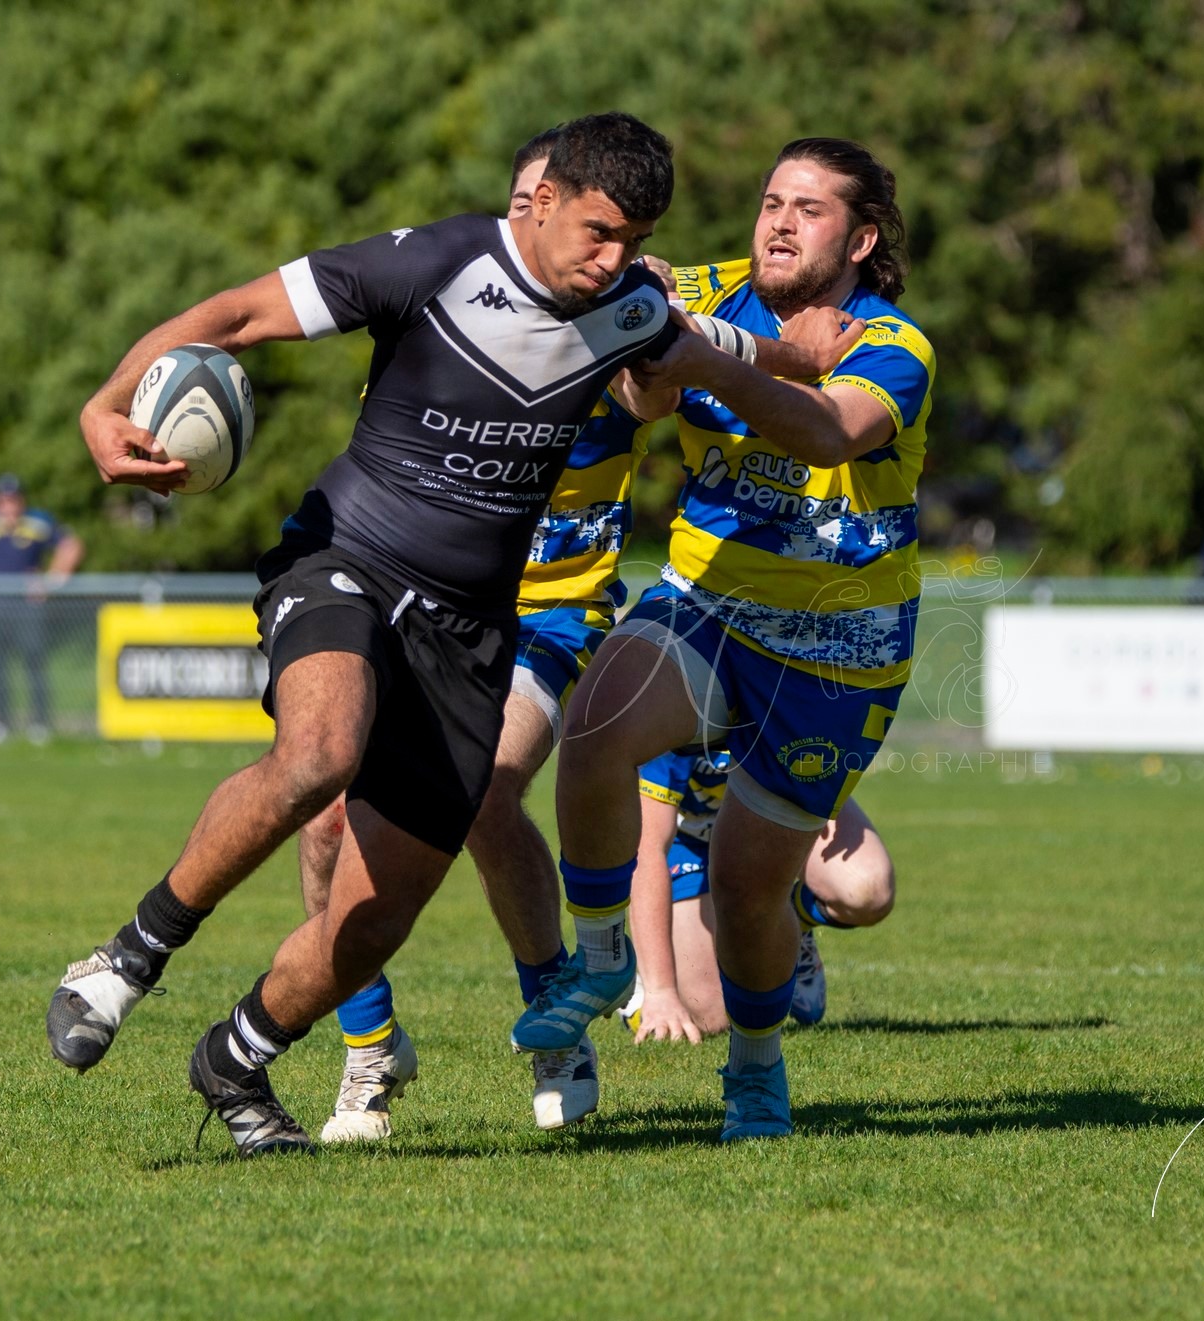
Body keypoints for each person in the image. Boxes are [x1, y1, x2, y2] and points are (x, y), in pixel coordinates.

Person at [43, 111, 688, 1157]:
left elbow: (688, 375)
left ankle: (236, 1060)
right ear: (544, 198)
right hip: (345, 558)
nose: (610, 256)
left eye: (632, 237)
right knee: (319, 758)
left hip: (473, 632)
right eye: (598, 231)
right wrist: (104, 404)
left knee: (376, 918)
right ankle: (124, 961)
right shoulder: (436, 260)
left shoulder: (632, 306)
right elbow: (240, 316)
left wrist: (686, 349)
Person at [295, 134, 868, 1140]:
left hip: (552, 614)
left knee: (480, 790)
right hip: (421, 602)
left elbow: (675, 357)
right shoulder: (441, 324)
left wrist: (770, 337)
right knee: (325, 817)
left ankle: (556, 1013)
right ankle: (370, 1048)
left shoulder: (619, 321)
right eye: (515, 205)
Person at [531, 137, 933, 1142]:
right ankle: (598, 957)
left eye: (809, 208)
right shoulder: (715, 287)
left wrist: (705, 353)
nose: (780, 222)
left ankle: (756, 1069)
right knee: (590, 726)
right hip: (708, 603)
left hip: (839, 646)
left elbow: (827, 430)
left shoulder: (894, 343)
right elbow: (646, 310)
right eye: (769, 202)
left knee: (751, 891)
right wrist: (653, 328)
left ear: (861, 237)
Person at [622, 748, 895, 1041]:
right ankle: (640, 976)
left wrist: (822, 788)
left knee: (867, 890)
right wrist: (660, 990)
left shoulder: (781, 702)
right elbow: (647, 851)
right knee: (710, 1016)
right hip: (687, 841)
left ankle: (787, 915)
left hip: (767, 819)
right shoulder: (676, 715)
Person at [0, 474, 82, 744]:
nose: (8, 506)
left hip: (26, 605)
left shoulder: (38, 522)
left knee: (34, 662)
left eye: (13, 499)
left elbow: (70, 546)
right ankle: (0, 722)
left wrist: (51, 580)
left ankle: (39, 723)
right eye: (3, 500)